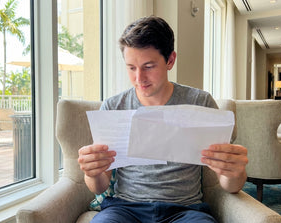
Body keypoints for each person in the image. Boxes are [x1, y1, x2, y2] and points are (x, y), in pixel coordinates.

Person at [78, 16, 248, 223]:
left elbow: (231, 185)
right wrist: (92, 173)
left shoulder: (199, 102)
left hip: (184, 210)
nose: (139, 78)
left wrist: (235, 172)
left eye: (149, 66)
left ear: (170, 60)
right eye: (131, 67)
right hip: (125, 208)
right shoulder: (114, 107)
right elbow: (100, 186)